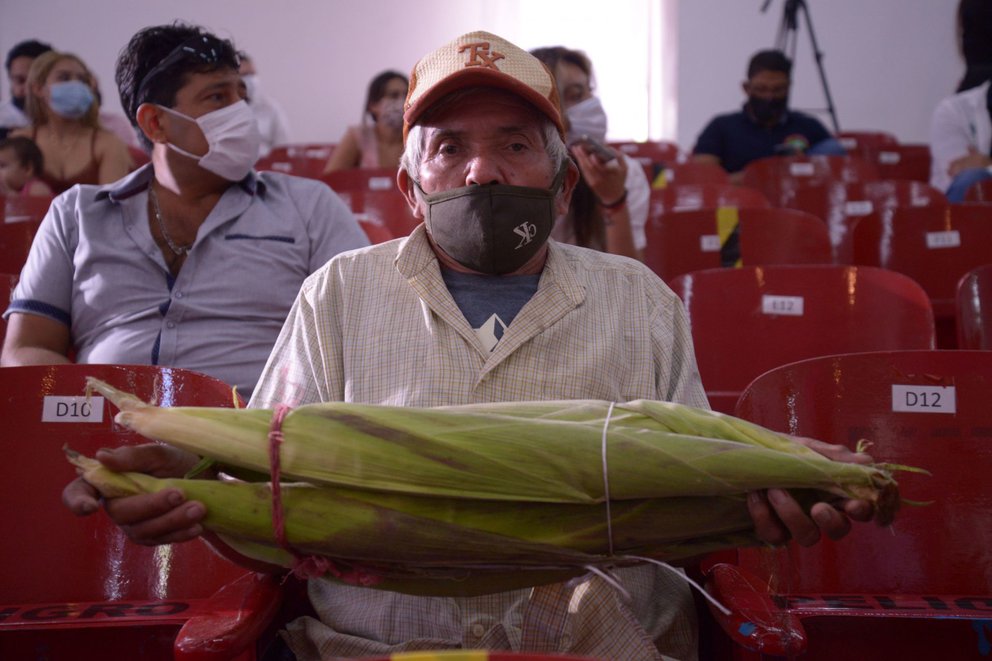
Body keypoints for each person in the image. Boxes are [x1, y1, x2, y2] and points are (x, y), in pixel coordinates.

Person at [63, 30, 878, 661]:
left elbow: (696, 482)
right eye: (449, 147)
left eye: (515, 144)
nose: (482, 171)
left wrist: (769, 495)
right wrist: (193, 478)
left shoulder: (641, 300)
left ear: (562, 183)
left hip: (604, 645)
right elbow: (269, 480)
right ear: (410, 187)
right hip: (371, 649)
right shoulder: (339, 293)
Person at [2, 22, 369, 398]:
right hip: (107, 425)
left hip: (261, 426)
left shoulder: (309, 207)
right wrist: (103, 410)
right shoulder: (76, 215)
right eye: (217, 98)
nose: (240, 112)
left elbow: (370, 331)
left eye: (241, 96)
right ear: (155, 123)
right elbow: (25, 349)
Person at [531, 46, 649, 260]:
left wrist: (614, 199)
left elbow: (630, 273)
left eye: (589, 91)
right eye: (576, 95)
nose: (591, 104)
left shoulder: (623, 172)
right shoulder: (522, 174)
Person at [692, 49, 845, 179]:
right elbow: (705, 180)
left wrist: (805, 166)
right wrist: (760, 176)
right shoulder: (720, 127)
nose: (769, 97)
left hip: (798, 199)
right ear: (746, 88)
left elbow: (836, 177)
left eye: (778, 89)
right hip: (741, 202)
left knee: (832, 148)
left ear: (788, 88)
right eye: (761, 89)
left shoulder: (809, 126)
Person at [11, 50, 132, 193]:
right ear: (38, 88)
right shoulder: (21, 141)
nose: (76, 85)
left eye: (82, 80)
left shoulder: (108, 143)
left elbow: (111, 202)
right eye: (64, 78)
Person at [322, 70, 408, 173]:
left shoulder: (418, 139)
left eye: (407, 95)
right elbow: (331, 178)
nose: (404, 101)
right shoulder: (358, 137)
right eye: (393, 95)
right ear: (373, 105)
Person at [929, 78, 992, 201]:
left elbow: (981, 165)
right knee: (973, 179)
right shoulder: (952, 110)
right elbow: (959, 169)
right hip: (956, 204)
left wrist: (988, 164)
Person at [239, 53, 291, 158]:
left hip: (266, 164)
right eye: (245, 75)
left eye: (252, 74)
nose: (251, 79)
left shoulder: (270, 107)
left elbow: (283, 146)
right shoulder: (223, 109)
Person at [0, 39, 53, 140]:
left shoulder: (70, 121)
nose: (28, 89)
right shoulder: (2, 121)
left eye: (36, 80)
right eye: (20, 81)